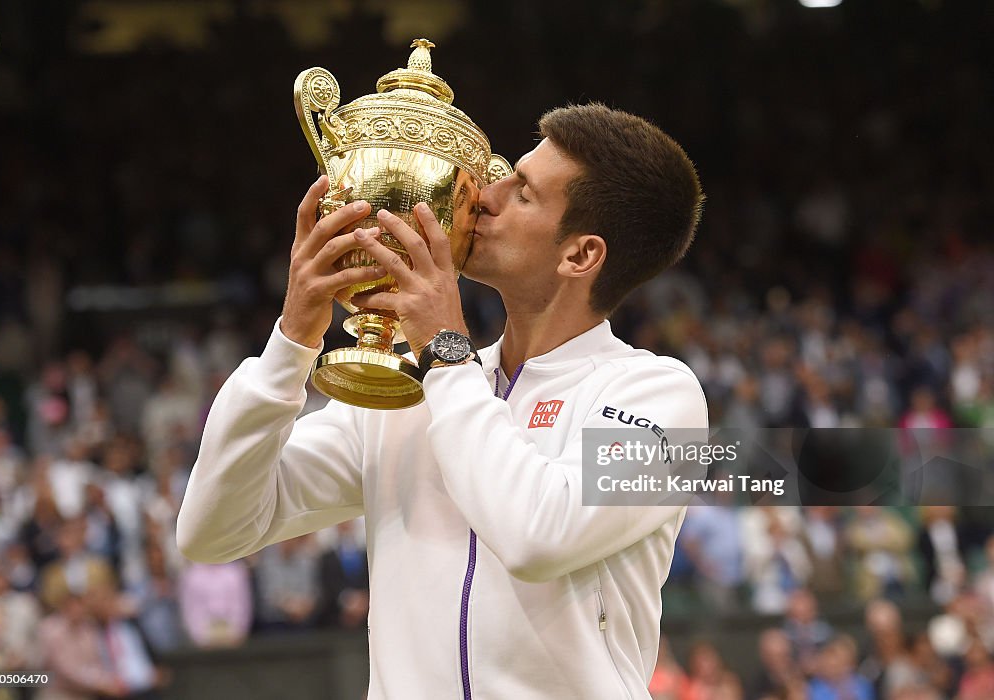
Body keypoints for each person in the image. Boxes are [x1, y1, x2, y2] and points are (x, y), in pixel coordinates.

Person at [178, 103, 707, 697]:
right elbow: (212, 531)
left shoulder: (664, 397)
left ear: (580, 255)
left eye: (523, 193)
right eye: (506, 172)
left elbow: (539, 536)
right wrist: (291, 343)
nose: (483, 194)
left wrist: (445, 353)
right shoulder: (418, 389)